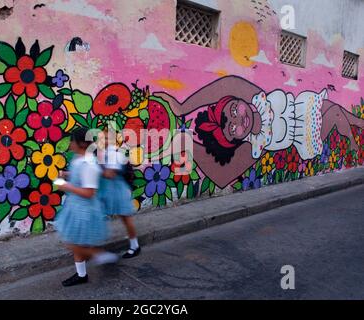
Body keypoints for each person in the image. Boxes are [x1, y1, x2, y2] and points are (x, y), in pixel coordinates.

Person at [154, 75, 364, 188]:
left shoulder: (256, 97)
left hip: (307, 108)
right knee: (336, 113)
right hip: (308, 136)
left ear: (238, 100)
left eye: (235, 109)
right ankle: (355, 142)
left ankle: (359, 128)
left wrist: (183, 107)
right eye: (232, 127)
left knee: (336, 111)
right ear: (234, 140)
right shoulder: (254, 145)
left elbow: (228, 84)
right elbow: (221, 176)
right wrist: (187, 144)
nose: (239, 119)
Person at [54, 127, 118, 287]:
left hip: (84, 210)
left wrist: (66, 186)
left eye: (72, 140)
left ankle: (101, 256)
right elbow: (80, 176)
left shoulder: (89, 164)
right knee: (76, 243)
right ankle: (81, 274)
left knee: (72, 243)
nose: (70, 143)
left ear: (81, 143)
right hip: (76, 208)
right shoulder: (80, 158)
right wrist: (67, 175)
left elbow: (89, 192)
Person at [97, 129, 141, 258]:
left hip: (118, 191)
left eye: (106, 138)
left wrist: (94, 169)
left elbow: (110, 174)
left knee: (126, 219)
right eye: (101, 138)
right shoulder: (103, 153)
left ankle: (135, 246)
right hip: (109, 191)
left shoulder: (113, 154)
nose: (103, 140)